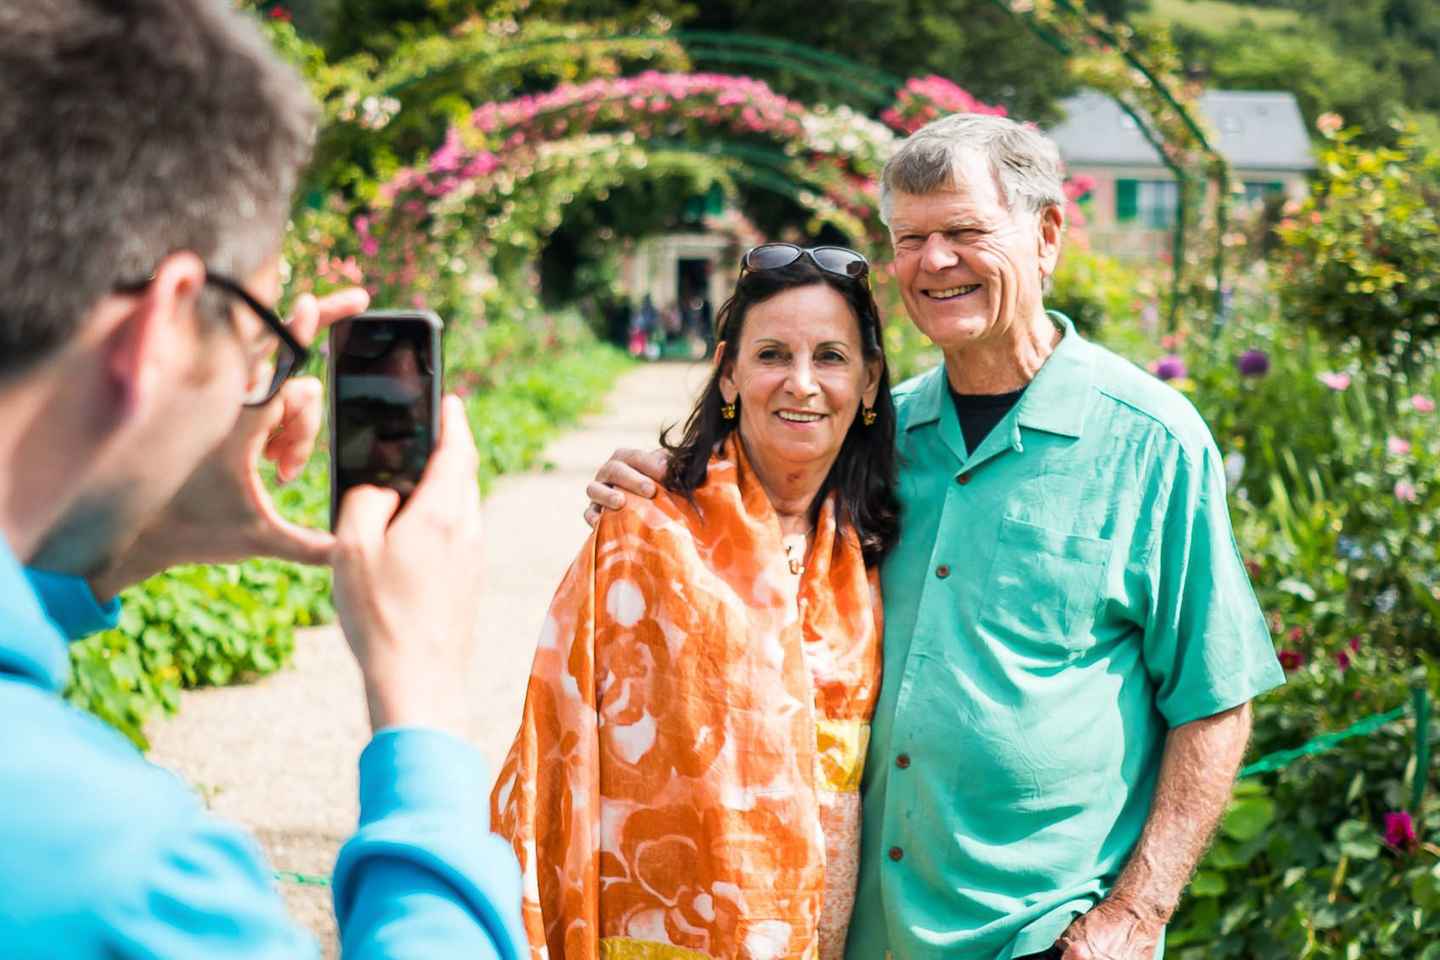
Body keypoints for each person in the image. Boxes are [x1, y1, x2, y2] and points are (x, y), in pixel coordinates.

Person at [583, 114, 1285, 960]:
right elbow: (752, 516)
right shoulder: (876, 433)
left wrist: (1137, 913)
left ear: (1047, 235)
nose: (934, 261)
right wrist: (663, 483)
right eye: (910, 239)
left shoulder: (1151, 441)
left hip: (1047, 934)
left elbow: (1214, 699)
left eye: (964, 232)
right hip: (865, 929)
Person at [0, 2, 525, 956]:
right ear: (161, 328)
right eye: (262, 336)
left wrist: (127, 542)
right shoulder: (122, 877)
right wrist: (421, 699)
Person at [491, 245, 898, 960]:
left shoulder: (877, 539)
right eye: (772, 354)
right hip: (660, 927)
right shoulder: (646, 529)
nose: (802, 383)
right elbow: (558, 747)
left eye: (831, 357)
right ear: (729, 372)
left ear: (868, 383)